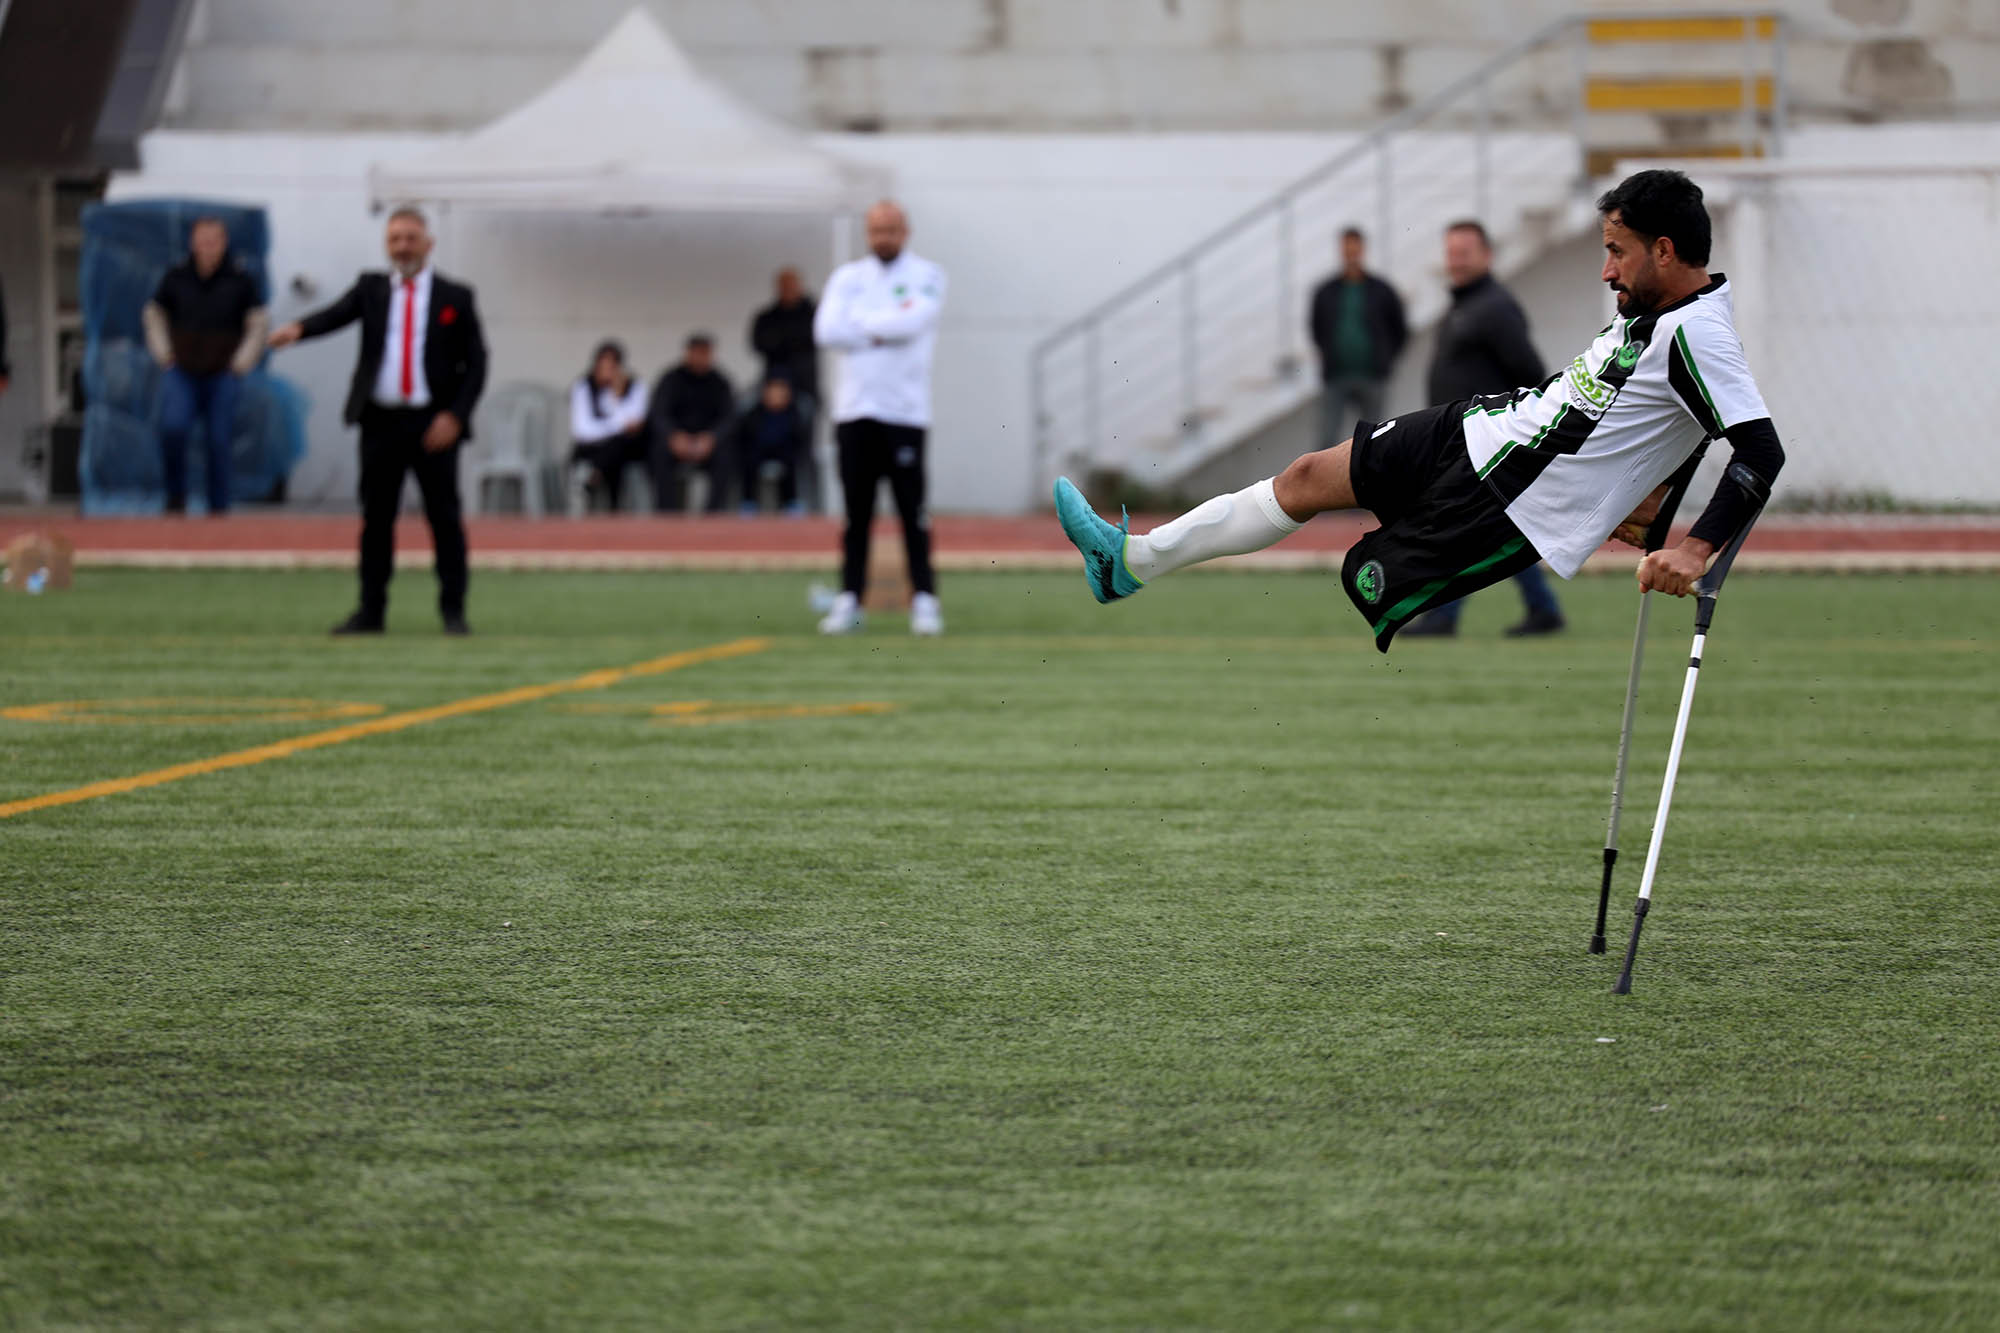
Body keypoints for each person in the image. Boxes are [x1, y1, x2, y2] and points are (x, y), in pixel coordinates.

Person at [1054, 170, 1785, 656]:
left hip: (1504, 493)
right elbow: (1651, 420)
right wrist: (1648, 499)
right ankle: (1131, 562)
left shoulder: (1701, 334)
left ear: (1664, 249)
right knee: (1308, 473)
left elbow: (1759, 451)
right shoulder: (1656, 305)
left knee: (1371, 577)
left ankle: (1135, 564)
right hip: (1476, 426)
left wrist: (1694, 546)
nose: (1605, 270)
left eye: (1617, 253)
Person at [269, 206, 488, 636]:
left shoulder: (455, 296)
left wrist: (455, 417)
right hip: (381, 422)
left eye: (410, 237)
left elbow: (477, 363)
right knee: (376, 520)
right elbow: (335, 315)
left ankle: (453, 611)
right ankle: (371, 612)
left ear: (428, 243)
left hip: (433, 425)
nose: (402, 246)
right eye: (395, 239)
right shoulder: (371, 289)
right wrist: (297, 328)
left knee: (444, 518)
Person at [1404, 220, 1566, 638]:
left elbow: (1531, 373)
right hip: (1459, 441)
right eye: (1451, 252)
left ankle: (1444, 617)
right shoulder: (1463, 305)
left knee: (1461, 526)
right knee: (1491, 527)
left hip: (1485, 440)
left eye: (1464, 252)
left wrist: (1508, 429)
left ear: (1487, 255)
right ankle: (1542, 608)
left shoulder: (1495, 307)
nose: (1455, 260)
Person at [812, 199, 948, 637]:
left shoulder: (926, 276)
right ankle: (850, 599)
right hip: (855, 411)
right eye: (875, 231)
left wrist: (861, 326)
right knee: (856, 515)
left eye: (890, 230)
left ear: (904, 232)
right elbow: (826, 331)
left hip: (905, 413)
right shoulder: (848, 278)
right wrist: (881, 326)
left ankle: (924, 600)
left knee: (912, 512)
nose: (883, 238)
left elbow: (914, 324)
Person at [143, 217, 267, 515]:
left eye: (214, 240)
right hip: (182, 371)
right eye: (202, 239)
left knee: (219, 439)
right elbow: (153, 315)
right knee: (173, 428)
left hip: (222, 374)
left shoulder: (241, 280)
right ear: (192, 242)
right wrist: (164, 355)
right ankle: (175, 499)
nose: (208, 246)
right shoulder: (175, 277)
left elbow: (259, 324)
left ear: (224, 243)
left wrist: (241, 363)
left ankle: (218, 509)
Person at [1307, 227, 1407, 449]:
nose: (1351, 254)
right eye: (1347, 249)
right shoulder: (1325, 291)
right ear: (1341, 251)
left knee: (1374, 438)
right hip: (1336, 376)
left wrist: (1386, 359)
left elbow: (1400, 329)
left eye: (1355, 248)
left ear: (1362, 250)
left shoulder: (1382, 290)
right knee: (1327, 437)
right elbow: (1316, 328)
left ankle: (1372, 482)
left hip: (1372, 376)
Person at [647, 333, 735, 514]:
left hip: (708, 443)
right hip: (676, 441)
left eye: (706, 353)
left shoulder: (720, 382)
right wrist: (673, 436)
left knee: (727, 456)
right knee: (658, 453)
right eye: (697, 352)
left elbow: (729, 418)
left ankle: (713, 513)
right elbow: (658, 414)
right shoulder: (671, 379)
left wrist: (712, 438)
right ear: (688, 353)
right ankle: (667, 513)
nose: (701, 358)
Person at [569, 340, 648, 511]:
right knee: (614, 446)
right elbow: (582, 430)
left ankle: (593, 478)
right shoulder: (583, 387)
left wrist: (616, 395)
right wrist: (616, 427)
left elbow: (635, 423)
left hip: (625, 448)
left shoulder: (634, 386)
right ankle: (612, 504)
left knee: (618, 445)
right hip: (592, 448)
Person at [731, 376, 810, 516]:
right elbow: (745, 435)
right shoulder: (755, 412)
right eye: (772, 391)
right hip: (759, 451)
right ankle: (748, 502)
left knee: (789, 461)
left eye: (780, 392)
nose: (776, 396)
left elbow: (800, 438)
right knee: (749, 460)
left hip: (784, 451)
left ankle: (790, 502)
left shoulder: (793, 413)